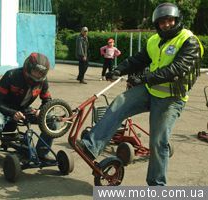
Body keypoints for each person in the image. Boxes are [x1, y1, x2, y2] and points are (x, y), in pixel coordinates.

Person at [79, 2, 204, 186]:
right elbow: (138, 60)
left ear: (177, 20)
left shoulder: (189, 41)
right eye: (162, 22)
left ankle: (156, 185)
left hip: (171, 99)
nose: (166, 24)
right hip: (150, 91)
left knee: (158, 142)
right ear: (157, 24)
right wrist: (118, 70)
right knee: (119, 103)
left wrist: (145, 79)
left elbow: (176, 69)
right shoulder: (154, 40)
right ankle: (91, 146)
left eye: (169, 20)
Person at [0, 52, 55, 170]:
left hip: (24, 110)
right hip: (4, 109)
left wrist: (41, 110)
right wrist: (12, 113)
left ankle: (42, 153)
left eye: (42, 72)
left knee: (52, 120)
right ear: (28, 67)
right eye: (36, 71)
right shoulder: (11, 75)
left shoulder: (42, 81)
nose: (39, 74)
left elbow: (47, 100)